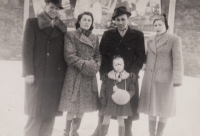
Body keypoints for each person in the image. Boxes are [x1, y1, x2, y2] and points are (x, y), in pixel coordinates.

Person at [91, 6, 146, 136]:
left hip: (129, 78)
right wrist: (104, 74)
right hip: (111, 77)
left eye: (123, 19)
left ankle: (127, 133)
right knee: (106, 107)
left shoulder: (137, 35)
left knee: (127, 108)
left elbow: (140, 56)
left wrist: (132, 73)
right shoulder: (108, 34)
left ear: (128, 19)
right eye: (117, 20)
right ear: (114, 21)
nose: (120, 22)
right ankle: (99, 132)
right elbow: (102, 55)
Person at [22, 0, 67, 136]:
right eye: (51, 7)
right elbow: (27, 49)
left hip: (55, 76)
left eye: (57, 8)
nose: (54, 10)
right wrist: (28, 72)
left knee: (50, 112)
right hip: (38, 74)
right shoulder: (33, 23)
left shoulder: (62, 27)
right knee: (36, 112)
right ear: (45, 7)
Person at [137, 14, 184, 136]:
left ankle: (159, 134)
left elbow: (178, 60)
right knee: (151, 107)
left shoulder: (174, 39)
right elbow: (146, 57)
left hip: (165, 79)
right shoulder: (150, 39)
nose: (157, 27)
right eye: (155, 25)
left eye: (160, 25)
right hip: (150, 79)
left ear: (166, 25)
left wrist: (178, 79)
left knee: (164, 108)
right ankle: (151, 133)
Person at [59, 11, 101, 136]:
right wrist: (87, 65)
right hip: (75, 75)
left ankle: (75, 131)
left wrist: (97, 64)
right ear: (79, 21)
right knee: (72, 106)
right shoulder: (71, 35)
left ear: (92, 23)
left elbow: (98, 54)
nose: (87, 22)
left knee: (83, 106)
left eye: (89, 20)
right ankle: (66, 131)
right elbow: (69, 56)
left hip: (89, 76)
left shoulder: (94, 38)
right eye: (84, 20)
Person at [99, 56, 136, 136]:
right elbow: (103, 89)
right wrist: (103, 99)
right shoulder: (108, 77)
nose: (118, 67)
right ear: (112, 65)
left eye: (120, 64)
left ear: (124, 65)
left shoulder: (128, 77)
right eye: (116, 65)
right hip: (109, 102)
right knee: (106, 119)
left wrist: (127, 96)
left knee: (121, 121)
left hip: (122, 103)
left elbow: (132, 90)